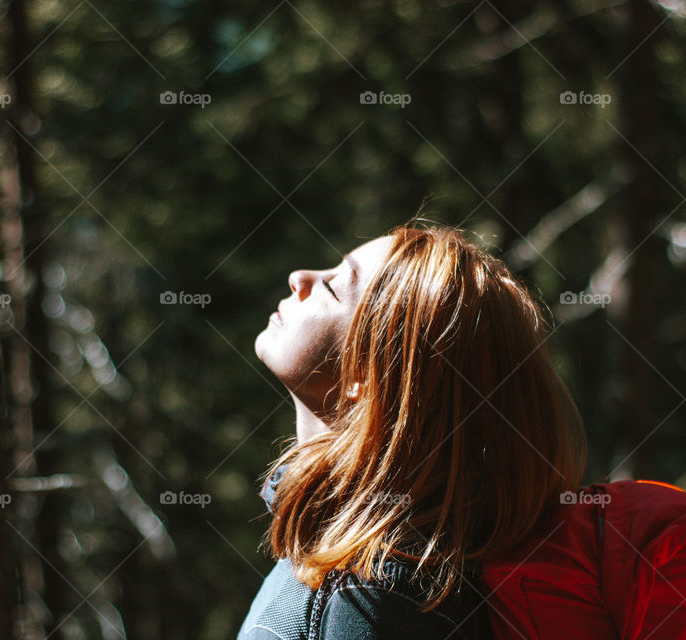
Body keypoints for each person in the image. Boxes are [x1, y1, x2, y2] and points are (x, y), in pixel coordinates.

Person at [238, 224, 587, 639]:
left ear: (369, 375)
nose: (300, 277)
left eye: (333, 289)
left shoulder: (370, 602)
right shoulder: (336, 559)